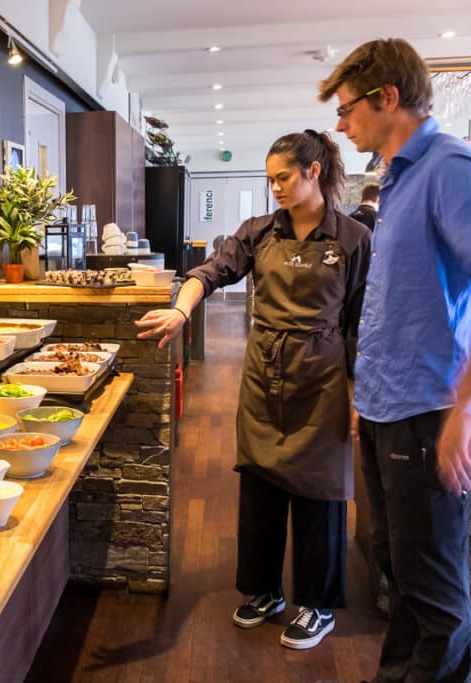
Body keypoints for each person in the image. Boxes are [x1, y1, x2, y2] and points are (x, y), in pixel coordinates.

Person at [319, 38, 471, 682]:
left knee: (432, 592)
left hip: (428, 411)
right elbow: (392, 305)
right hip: (384, 409)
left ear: (388, 98)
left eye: (347, 109)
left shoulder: (451, 168)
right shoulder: (397, 179)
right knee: (396, 569)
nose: (341, 125)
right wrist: (363, 400)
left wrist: (464, 408)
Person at [136, 130, 371, 650]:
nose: (276, 189)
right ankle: (264, 590)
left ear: (313, 172)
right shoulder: (258, 232)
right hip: (264, 375)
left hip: (323, 377)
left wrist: (358, 395)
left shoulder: (352, 238)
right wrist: (180, 309)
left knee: (320, 491)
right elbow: (209, 273)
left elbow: (359, 324)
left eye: (283, 177)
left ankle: (319, 604)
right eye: (270, 180)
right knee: (260, 484)